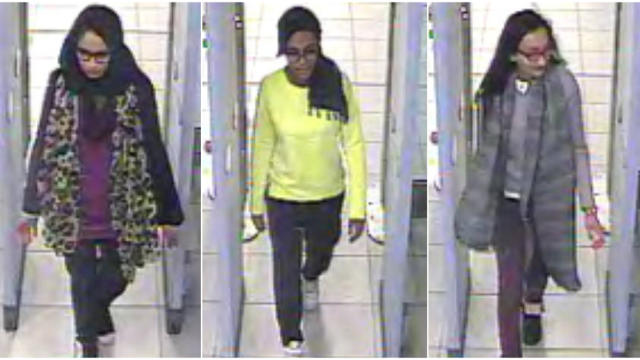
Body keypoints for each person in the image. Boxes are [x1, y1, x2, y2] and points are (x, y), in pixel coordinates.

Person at [17, 5, 184, 357]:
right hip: (71, 207)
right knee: (81, 279)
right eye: (84, 55)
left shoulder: (136, 88)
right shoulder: (60, 83)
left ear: (116, 51)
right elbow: (44, 142)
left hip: (122, 208)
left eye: (101, 56)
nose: (91, 64)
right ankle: (87, 343)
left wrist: (169, 215)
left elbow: (154, 148)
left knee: (115, 278)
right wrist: (31, 207)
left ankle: (97, 319)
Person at [454, 9, 606, 357]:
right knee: (508, 286)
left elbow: (579, 147)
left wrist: (589, 211)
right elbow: (482, 145)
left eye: (545, 51)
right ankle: (511, 352)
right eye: (531, 54)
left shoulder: (563, 85)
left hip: (547, 197)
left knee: (539, 264)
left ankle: (534, 303)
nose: (541, 61)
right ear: (512, 54)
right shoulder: (496, 90)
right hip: (507, 202)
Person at [249, 6, 367, 357]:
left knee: (320, 253)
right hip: (282, 195)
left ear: (320, 48)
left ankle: (312, 274)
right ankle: (290, 330)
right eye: (293, 53)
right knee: (284, 266)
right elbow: (262, 145)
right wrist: (255, 201)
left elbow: (355, 144)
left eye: (309, 52)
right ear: (282, 51)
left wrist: (358, 207)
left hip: (327, 194)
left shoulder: (337, 84)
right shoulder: (271, 88)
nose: (302, 61)